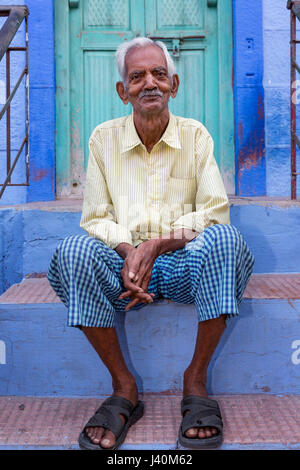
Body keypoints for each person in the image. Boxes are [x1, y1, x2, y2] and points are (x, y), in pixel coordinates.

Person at [48, 37, 254, 450]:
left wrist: (156, 245)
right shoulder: (102, 139)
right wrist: (130, 253)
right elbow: (95, 219)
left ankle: (195, 379)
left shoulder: (195, 136)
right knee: (72, 251)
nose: (150, 84)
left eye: (159, 74)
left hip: (182, 264)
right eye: (137, 76)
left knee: (227, 240)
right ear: (122, 91)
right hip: (122, 270)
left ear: (174, 85)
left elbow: (214, 211)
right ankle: (124, 386)